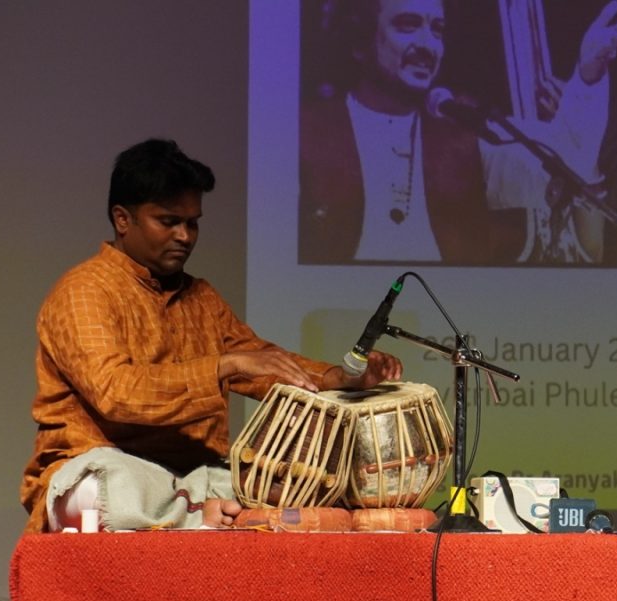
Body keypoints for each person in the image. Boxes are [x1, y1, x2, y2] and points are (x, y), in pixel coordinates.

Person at [21, 139, 403, 533]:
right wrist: (223, 366)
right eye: (168, 221)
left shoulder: (201, 297)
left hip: (193, 475)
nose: (184, 236)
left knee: (289, 488)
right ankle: (193, 511)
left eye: (193, 222)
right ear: (123, 219)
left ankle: (193, 510)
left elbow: (261, 362)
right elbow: (116, 394)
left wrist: (338, 379)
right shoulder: (84, 291)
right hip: (108, 467)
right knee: (107, 486)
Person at [299, 0, 617, 265]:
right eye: (407, 26)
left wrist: (588, 76)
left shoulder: (463, 133)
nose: (427, 44)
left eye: (437, 30)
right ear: (361, 40)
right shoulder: (306, 134)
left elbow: (564, 162)